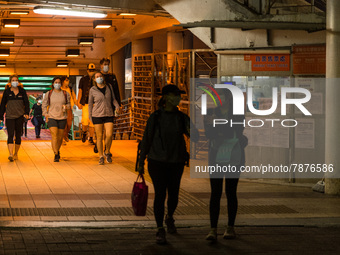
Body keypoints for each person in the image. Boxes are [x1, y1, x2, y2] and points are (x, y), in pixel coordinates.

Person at [137, 84, 199, 245]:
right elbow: (146, 140)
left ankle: (169, 216)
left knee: (174, 195)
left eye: (179, 95)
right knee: (160, 195)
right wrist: (140, 162)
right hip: (157, 162)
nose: (178, 98)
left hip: (176, 162)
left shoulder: (181, 117)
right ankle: (159, 228)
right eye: (175, 95)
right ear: (166, 97)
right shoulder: (156, 117)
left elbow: (196, 136)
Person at [203, 89, 246, 241]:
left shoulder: (238, 113)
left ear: (228, 97)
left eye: (221, 95)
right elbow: (208, 134)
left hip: (234, 156)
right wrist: (219, 127)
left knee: (231, 191)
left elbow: (234, 132)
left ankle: (230, 227)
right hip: (216, 157)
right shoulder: (209, 111)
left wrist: (216, 124)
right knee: (215, 193)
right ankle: (213, 229)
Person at [88, 72, 120, 165]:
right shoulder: (92, 90)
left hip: (108, 114)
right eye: (97, 77)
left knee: (109, 134)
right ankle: (101, 156)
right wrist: (90, 116)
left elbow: (113, 99)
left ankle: (107, 151)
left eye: (100, 76)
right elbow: (90, 104)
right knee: (99, 137)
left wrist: (117, 106)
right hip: (97, 115)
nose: (99, 78)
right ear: (94, 79)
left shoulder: (109, 86)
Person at [0, 74, 29, 161]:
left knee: (18, 135)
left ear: (18, 82)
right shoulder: (7, 92)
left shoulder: (22, 91)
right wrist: (1, 116)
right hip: (9, 116)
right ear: (10, 82)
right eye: (13, 80)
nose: (15, 82)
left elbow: (26, 103)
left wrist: (27, 113)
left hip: (20, 116)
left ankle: (16, 153)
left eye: (16, 80)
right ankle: (11, 154)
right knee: (10, 135)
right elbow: (2, 105)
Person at [42, 77, 70, 162]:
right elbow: (44, 104)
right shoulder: (49, 93)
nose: (57, 84)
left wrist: (66, 107)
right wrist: (46, 114)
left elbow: (69, 104)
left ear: (61, 84)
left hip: (62, 117)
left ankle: (57, 150)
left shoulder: (65, 93)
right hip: (52, 117)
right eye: (56, 82)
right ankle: (56, 153)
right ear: (53, 84)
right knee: (54, 135)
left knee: (60, 137)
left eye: (59, 82)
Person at [78, 63, 96, 145]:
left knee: (92, 122)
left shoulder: (97, 79)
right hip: (85, 103)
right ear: (87, 70)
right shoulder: (83, 79)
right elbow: (80, 91)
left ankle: (91, 138)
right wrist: (79, 102)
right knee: (85, 120)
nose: (91, 72)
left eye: (93, 70)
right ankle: (84, 132)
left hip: (94, 104)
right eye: (90, 70)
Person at [61, 76, 78, 143]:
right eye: (66, 80)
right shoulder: (59, 89)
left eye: (68, 80)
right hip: (62, 109)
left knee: (69, 123)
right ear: (62, 81)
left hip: (69, 108)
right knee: (63, 124)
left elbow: (74, 97)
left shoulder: (70, 89)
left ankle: (66, 134)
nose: (67, 81)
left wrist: (78, 104)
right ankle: (64, 137)